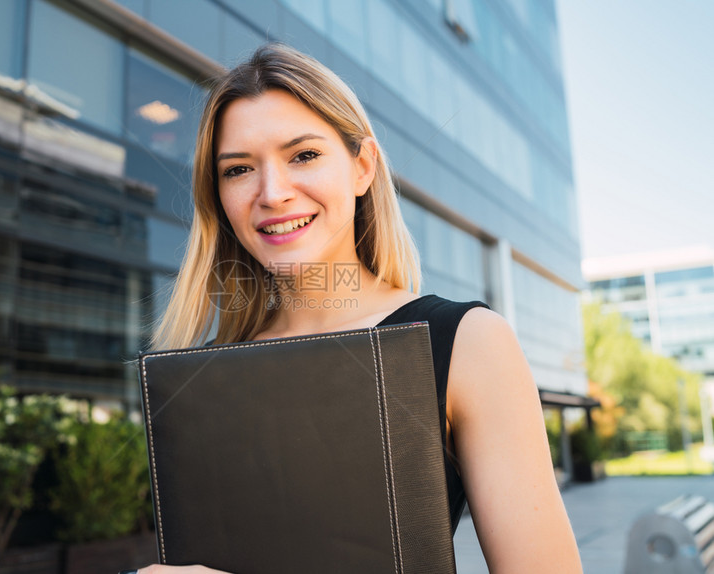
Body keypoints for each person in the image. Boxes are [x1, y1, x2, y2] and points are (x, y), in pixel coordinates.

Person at [140, 43, 582, 573]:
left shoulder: (463, 342)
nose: (272, 192)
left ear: (362, 168)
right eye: (238, 169)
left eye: (303, 155)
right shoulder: (206, 372)